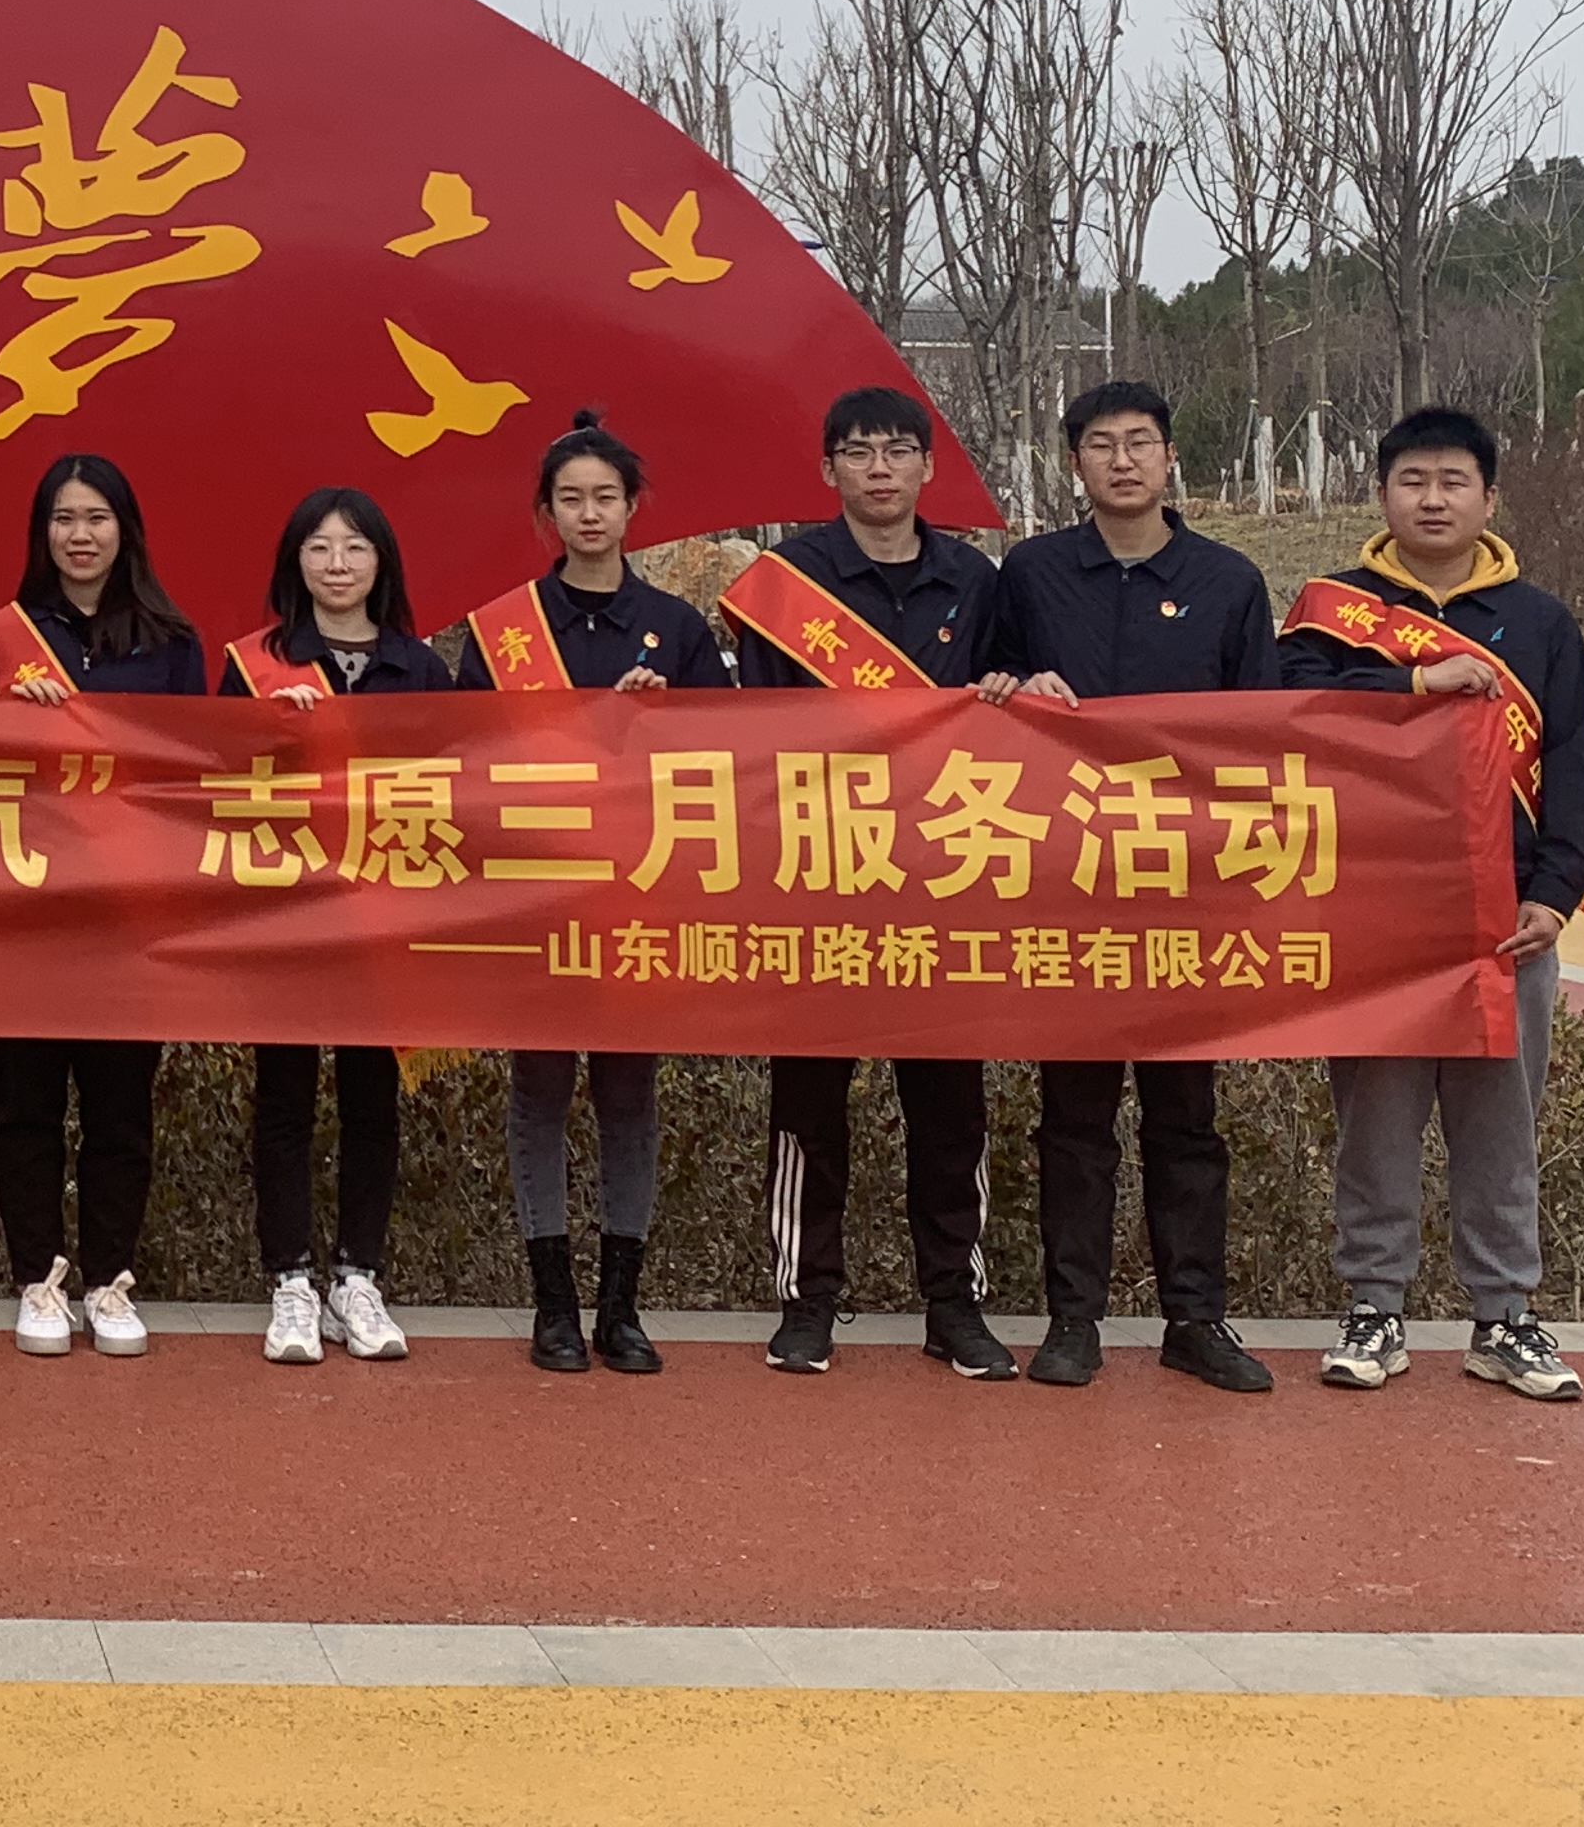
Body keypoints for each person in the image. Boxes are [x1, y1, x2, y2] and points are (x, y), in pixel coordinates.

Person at [1279, 405, 1584, 1408]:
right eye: (1412, 480)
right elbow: (1289, 713)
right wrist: (1416, 677)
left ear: (1488, 498)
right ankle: (1374, 1306)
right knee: (1375, 1118)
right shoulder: (1331, 616)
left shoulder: (1540, 624)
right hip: (1375, 915)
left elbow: (1575, 767)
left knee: (1500, 1123)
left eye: (1453, 481)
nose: (1432, 499)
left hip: (1505, 921)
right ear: (1381, 494)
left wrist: (1556, 895)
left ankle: (1504, 1315)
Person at [723, 385, 1018, 1381]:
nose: (880, 468)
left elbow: (1015, 715)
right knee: (809, 1104)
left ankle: (954, 1304)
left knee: (950, 1108)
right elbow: (754, 736)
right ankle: (808, 1301)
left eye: (898, 450)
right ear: (828, 468)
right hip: (822, 878)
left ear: (928, 465)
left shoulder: (976, 581)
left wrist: (1007, 694)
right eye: (859, 451)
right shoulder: (785, 585)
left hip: (945, 879)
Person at [990, 377, 1277, 1395]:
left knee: (1185, 1119)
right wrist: (1014, 689)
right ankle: (1073, 1320)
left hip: (1185, 893)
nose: (1123, 460)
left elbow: (1265, 737)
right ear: (1075, 463)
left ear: (1169, 458)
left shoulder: (1229, 581)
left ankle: (1195, 1319)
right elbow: (982, 704)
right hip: (1067, 889)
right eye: (1102, 444)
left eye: (1141, 442)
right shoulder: (1030, 574)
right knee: (1073, 1120)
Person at [440, 409, 727, 1376]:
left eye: (606, 497)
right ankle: (553, 1305)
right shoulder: (502, 631)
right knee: (539, 1096)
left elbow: (738, 763)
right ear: (547, 512)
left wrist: (665, 721)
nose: (590, 513)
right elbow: (461, 759)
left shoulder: (678, 628)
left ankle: (622, 1308)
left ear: (634, 507)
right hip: (535, 898)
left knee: (629, 1095)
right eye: (571, 499)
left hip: (641, 899)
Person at [0, 452, 199, 1362]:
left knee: (119, 1112)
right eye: (64, 519)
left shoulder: (172, 643)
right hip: (23, 909)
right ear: (43, 533)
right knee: (24, 1108)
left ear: (125, 530)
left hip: (129, 913)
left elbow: (195, 774)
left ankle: (109, 1280)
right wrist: (7, 713)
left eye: (96, 518)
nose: (80, 535)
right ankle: (39, 1280)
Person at [229, 484, 451, 1368]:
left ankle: (359, 1276)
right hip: (286, 919)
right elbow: (209, 786)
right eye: (319, 548)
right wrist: (270, 735)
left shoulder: (421, 670)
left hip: (384, 919)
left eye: (355, 547)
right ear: (295, 563)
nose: (337, 564)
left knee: (371, 1103)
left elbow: (461, 785)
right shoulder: (256, 665)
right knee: (283, 1100)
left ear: (381, 562)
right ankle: (289, 1279)